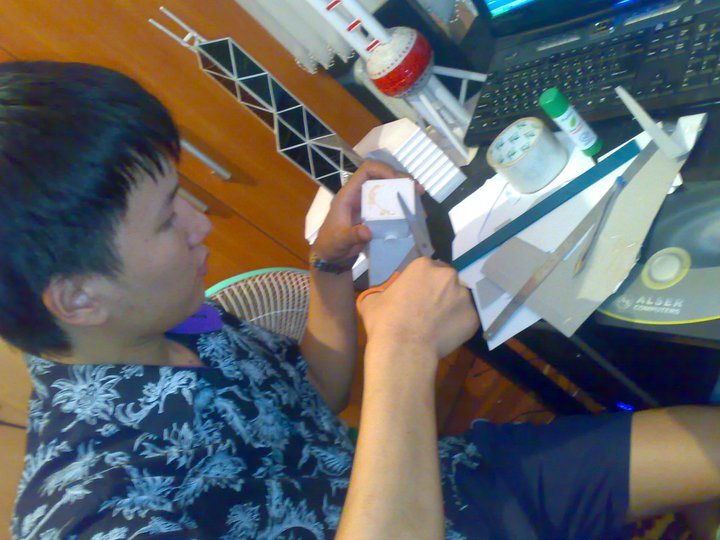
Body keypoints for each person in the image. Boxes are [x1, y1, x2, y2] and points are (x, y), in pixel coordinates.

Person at [1, 60, 719, 540]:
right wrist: (404, 350)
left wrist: (331, 267)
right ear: (78, 297)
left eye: (181, 192)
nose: (200, 224)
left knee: (704, 444)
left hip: (454, 484)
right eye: (166, 219)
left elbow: (317, 395)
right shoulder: (94, 508)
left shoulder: (177, 319)